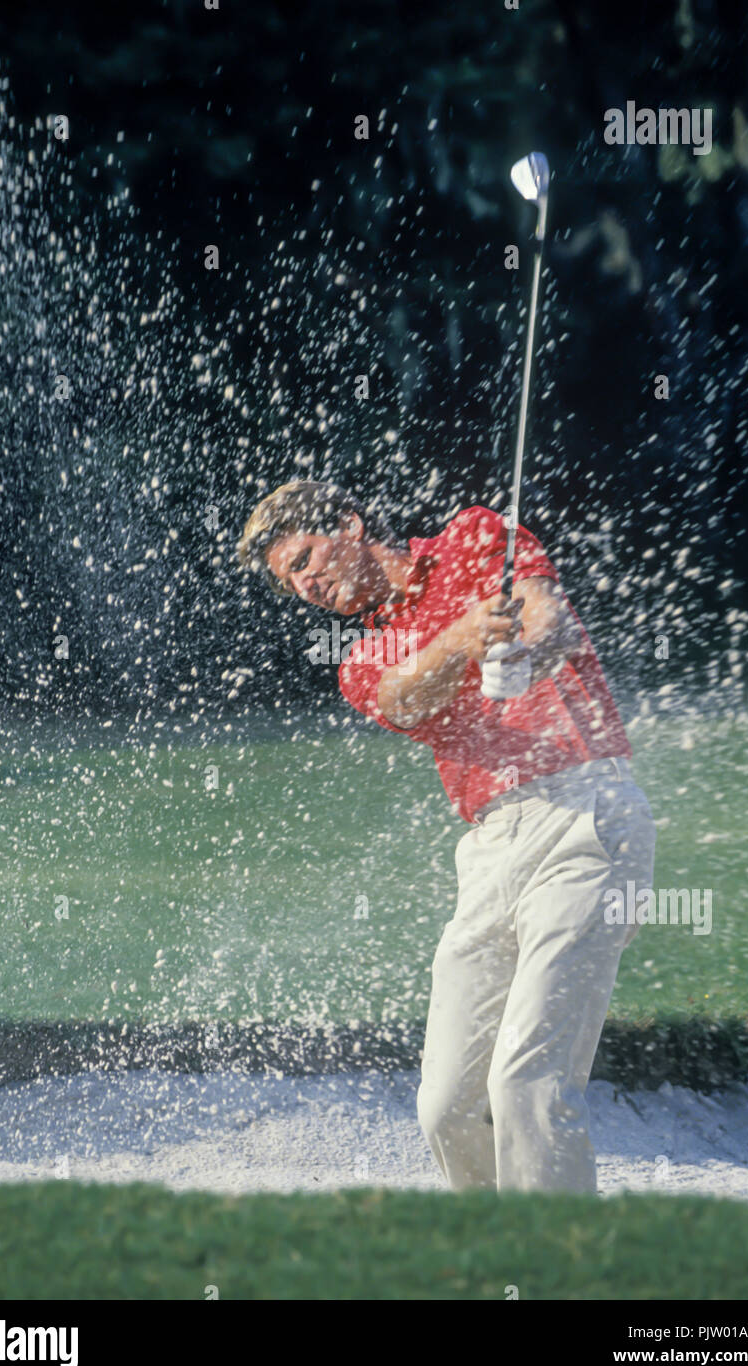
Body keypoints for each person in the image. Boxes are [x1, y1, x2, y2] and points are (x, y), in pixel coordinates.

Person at [237, 478, 656, 1194]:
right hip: (491, 848)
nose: (305, 585)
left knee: (526, 1082)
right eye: (290, 580)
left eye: (306, 557)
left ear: (348, 520)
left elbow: (545, 616)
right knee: (445, 1105)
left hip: (585, 812)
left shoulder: (472, 536)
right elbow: (406, 694)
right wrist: (461, 642)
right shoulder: (361, 661)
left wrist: (522, 646)